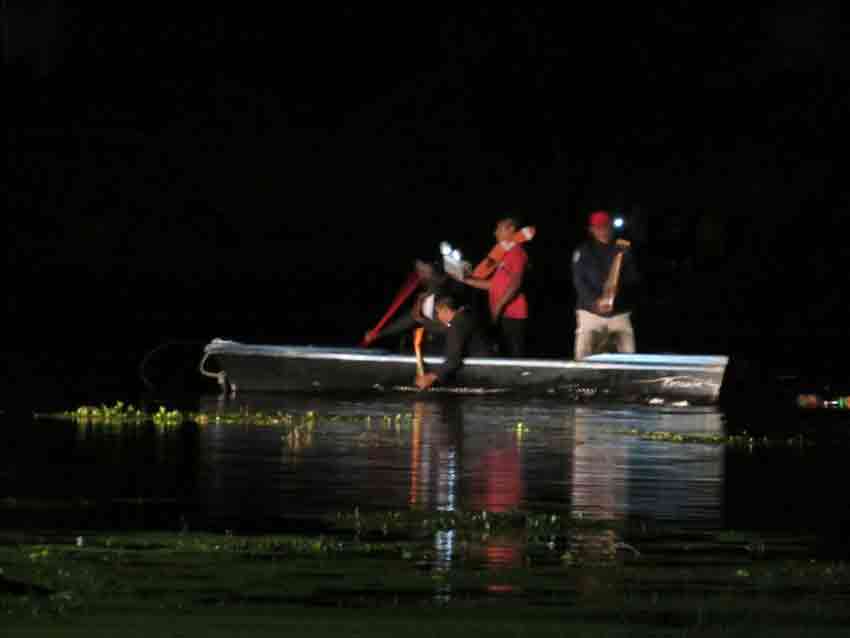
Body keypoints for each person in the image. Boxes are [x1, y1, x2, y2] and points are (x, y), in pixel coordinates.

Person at [451, 216, 529, 357]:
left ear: (511, 229)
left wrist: (498, 306)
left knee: (514, 359)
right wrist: (465, 279)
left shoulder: (517, 252)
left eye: (499, 228)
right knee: (501, 355)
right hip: (501, 314)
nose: (495, 232)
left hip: (513, 315)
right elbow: (493, 285)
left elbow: (516, 283)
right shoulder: (504, 255)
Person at [571, 210, 639, 360]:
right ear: (591, 230)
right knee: (582, 355)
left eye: (606, 226)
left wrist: (618, 291)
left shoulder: (623, 248)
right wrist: (594, 302)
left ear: (611, 227)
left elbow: (633, 278)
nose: (603, 230)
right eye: (598, 227)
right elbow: (579, 282)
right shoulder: (583, 251)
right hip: (590, 313)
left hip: (619, 313)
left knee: (629, 355)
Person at [364, 258, 467, 354]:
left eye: (423, 270)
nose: (420, 274)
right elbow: (409, 319)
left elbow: (455, 323)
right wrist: (379, 333)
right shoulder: (425, 294)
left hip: (455, 345)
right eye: (418, 270)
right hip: (434, 346)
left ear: (433, 268)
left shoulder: (447, 287)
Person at [415, 295, 492, 389]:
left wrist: (431, 377)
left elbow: (453, 359)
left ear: (446, 309)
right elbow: (442, 328)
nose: (438, 317)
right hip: (484, 364)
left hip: (481, 372)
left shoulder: (457, 325)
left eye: (438, 312)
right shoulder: (465, 317)